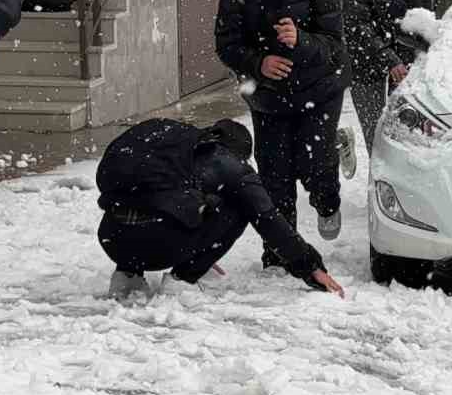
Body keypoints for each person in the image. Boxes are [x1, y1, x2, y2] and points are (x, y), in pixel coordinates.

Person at [214, 0, 353, 256]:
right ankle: (279, 249)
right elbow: (227, 45)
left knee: (315, 163)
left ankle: (327, 200)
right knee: (274, 173)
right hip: (268, 96)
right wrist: (258, 63)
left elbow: (335, 45)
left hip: (320, 90)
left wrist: (301, 40)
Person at [96, 118, 345, 299]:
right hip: (164, 245)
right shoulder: (228, 162)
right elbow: (268, 218)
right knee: (241, 205)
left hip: (114, 240)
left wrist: (197, 234)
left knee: (138, 196)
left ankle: (127, 276)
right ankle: (182, 279)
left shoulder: (171, 137)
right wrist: (310, 267)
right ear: (240, 153)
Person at [337, 0, 428, 154]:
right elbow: (358, 27)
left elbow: (420, 38)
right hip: (358, 62)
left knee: (398, 132)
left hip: (387, 62)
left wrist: (406, 70)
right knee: (375, 136)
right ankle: (342, 144)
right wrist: (391, 59)